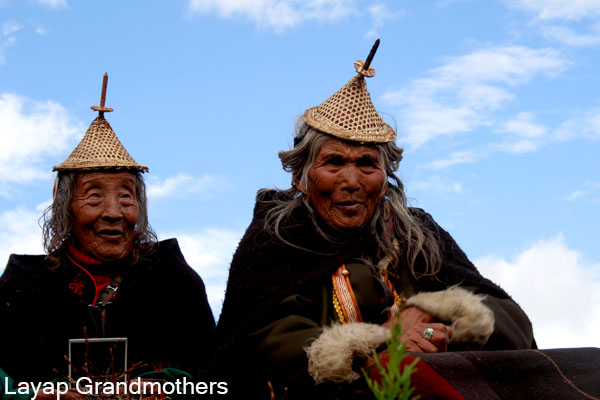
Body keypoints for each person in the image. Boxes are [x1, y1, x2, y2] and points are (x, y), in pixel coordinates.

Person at [215, 42, 535, 399]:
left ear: (386, 177)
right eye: (334, 162)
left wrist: (433, 317)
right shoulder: (278, 237)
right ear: (301, 177)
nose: (351, 182)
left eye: (367, 164)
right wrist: (383, 341)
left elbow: (512, 322)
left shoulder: (418, 234)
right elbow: (265, 337)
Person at [0, 75, 215, 393]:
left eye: (126, 197)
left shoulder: (172, 278)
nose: (114, 212)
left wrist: (169, 386)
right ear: (65, 205)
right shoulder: (24, 284)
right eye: (94, 196)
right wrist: (34, 396)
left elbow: (215, 369)